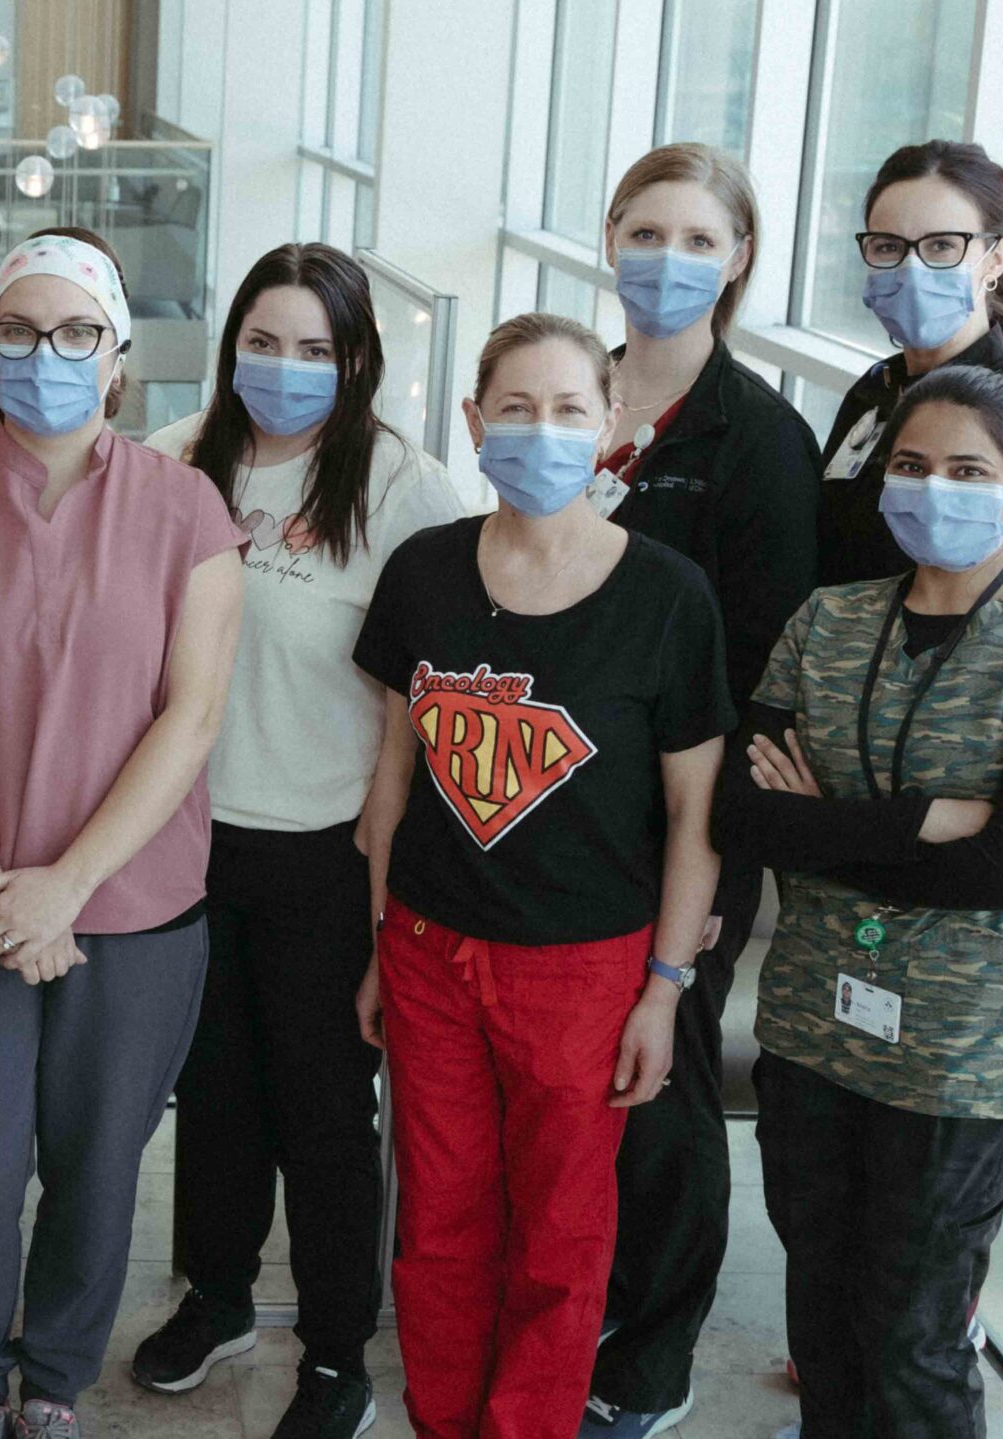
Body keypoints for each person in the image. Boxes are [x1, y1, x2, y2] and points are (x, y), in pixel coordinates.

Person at [0, 229, 246, 1439]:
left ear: (117, 360)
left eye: (75, 333)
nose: (46, 356)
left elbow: (189, 721)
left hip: (131, 905)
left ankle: (56, 1380)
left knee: (97, 1160)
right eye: (18, 332)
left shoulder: (188, 510)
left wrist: (63, 886)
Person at [722, 366, 1003, 1439]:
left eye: (965, 470)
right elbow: (743, 815)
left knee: (913, 1336)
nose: (932, 487)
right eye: (910, 465)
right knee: (821, 1318)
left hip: (958, 1057)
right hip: (813, 1028)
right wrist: (922, 820)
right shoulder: (826, 621)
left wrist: (827, 825)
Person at [351, 313, 729, 1439]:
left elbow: (693, 813)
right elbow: (392, 772)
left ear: (608, 427)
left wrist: (662, 990)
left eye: (569, 409)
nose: (541, 430)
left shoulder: (667, 596)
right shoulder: (423, 571)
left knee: (562, 1236)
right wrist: (378, 942)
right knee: (441, 1220)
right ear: (473, 423)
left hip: (585, 970)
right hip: (426, 949)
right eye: (515, 408)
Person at [128, 242, 470, 1439]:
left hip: (328, 843)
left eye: (313, 349)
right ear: (229, 352)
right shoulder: (173, 461)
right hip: (185, 836)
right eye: (261, 344)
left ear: (356, 359)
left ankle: (334, 1349)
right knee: (212, 1092)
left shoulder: (401, 486)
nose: (282, 368)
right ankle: (216, 1295)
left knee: (326, 1106)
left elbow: (424, 700)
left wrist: (395, 863)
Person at [578, 143, 822, 1438]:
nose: (664, 259)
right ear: (606, 236)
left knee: (661, 1087)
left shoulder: (760, 439)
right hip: (552, 814)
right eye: (643, 229)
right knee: (577, 1079)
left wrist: (715, 866)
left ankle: (654, 1354)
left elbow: (763, 675)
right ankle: (592, 1295)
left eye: (696, 238)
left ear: (738, 261)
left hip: (684, 830)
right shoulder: (572, 395)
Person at [818, 140, 1003, 589]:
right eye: (889, 246)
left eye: (942, 245)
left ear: (996, 259)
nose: (912, 268)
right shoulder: (875, 391)